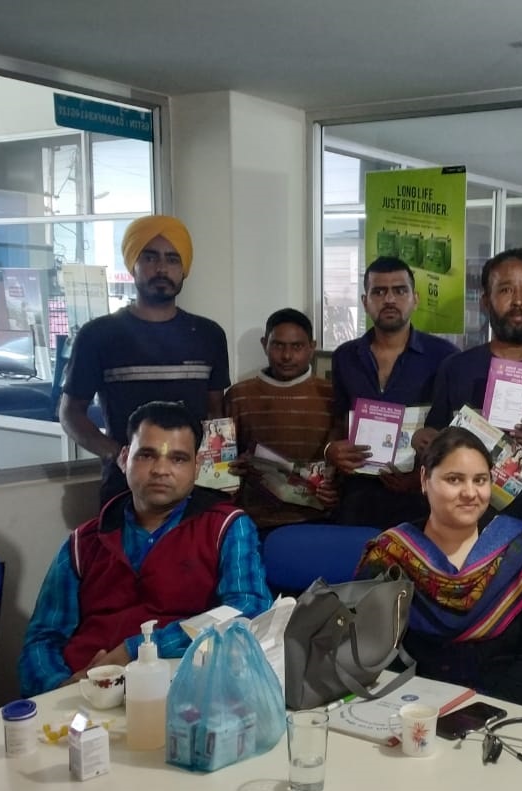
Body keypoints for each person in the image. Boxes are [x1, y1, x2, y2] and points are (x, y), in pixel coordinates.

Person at [20, 401, 271, 696]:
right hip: (84, 691)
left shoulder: (226, 527)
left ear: (197, 467)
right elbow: (43, 638)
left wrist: (138, 649)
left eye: (178, 459)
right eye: (147, 455)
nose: (161, 470)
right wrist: (58, 687)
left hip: (182, 689)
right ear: (125, 458)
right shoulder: (83, 543)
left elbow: (246, 609)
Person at [354, 428, 522, 710]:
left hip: (506, 708)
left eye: (480, 480)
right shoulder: (391, 555)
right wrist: (412, 708)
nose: (470, 493)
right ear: (424, 480)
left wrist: (481, 712)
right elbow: (374, 647)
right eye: (454, 479)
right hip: (410, 705)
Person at [59, 215, 231, 505]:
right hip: (124, 491)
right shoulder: (98, 335)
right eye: (150, 257)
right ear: (133, 265)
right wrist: (118, 455)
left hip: (197, 490)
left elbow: (215, 413)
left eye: (173, 259)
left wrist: (221, 472)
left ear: (184, 269)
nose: (162, 268)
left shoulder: (209, 334)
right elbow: (71, 414)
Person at [421, 248, 522, 542]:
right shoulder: (456, 368)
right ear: (485, 301)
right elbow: (434, 441)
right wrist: (425, 440)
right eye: (505, 290)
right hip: (465, 528)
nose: (519, 301)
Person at [326, 256, 458, 528]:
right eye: (379, 291)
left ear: (415, 299)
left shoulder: (445, 356)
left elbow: (456, 431)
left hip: (422, 499)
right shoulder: (345, 356)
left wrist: (422, 477)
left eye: (399, 290)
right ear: (365, 302)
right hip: (358, 497)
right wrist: (330, 451)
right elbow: (338, 421)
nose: (389, 299)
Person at [224, 308, 337, 533]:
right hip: (254, 521)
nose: (287, 356)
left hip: (317, 520)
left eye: (297, 346)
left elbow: (340, 461)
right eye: (278, 345)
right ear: (264, 344)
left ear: (312, 347)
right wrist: (232, 467)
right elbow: (224, 462)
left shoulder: (332, 396)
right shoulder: (238, 395)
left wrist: (335, 489)